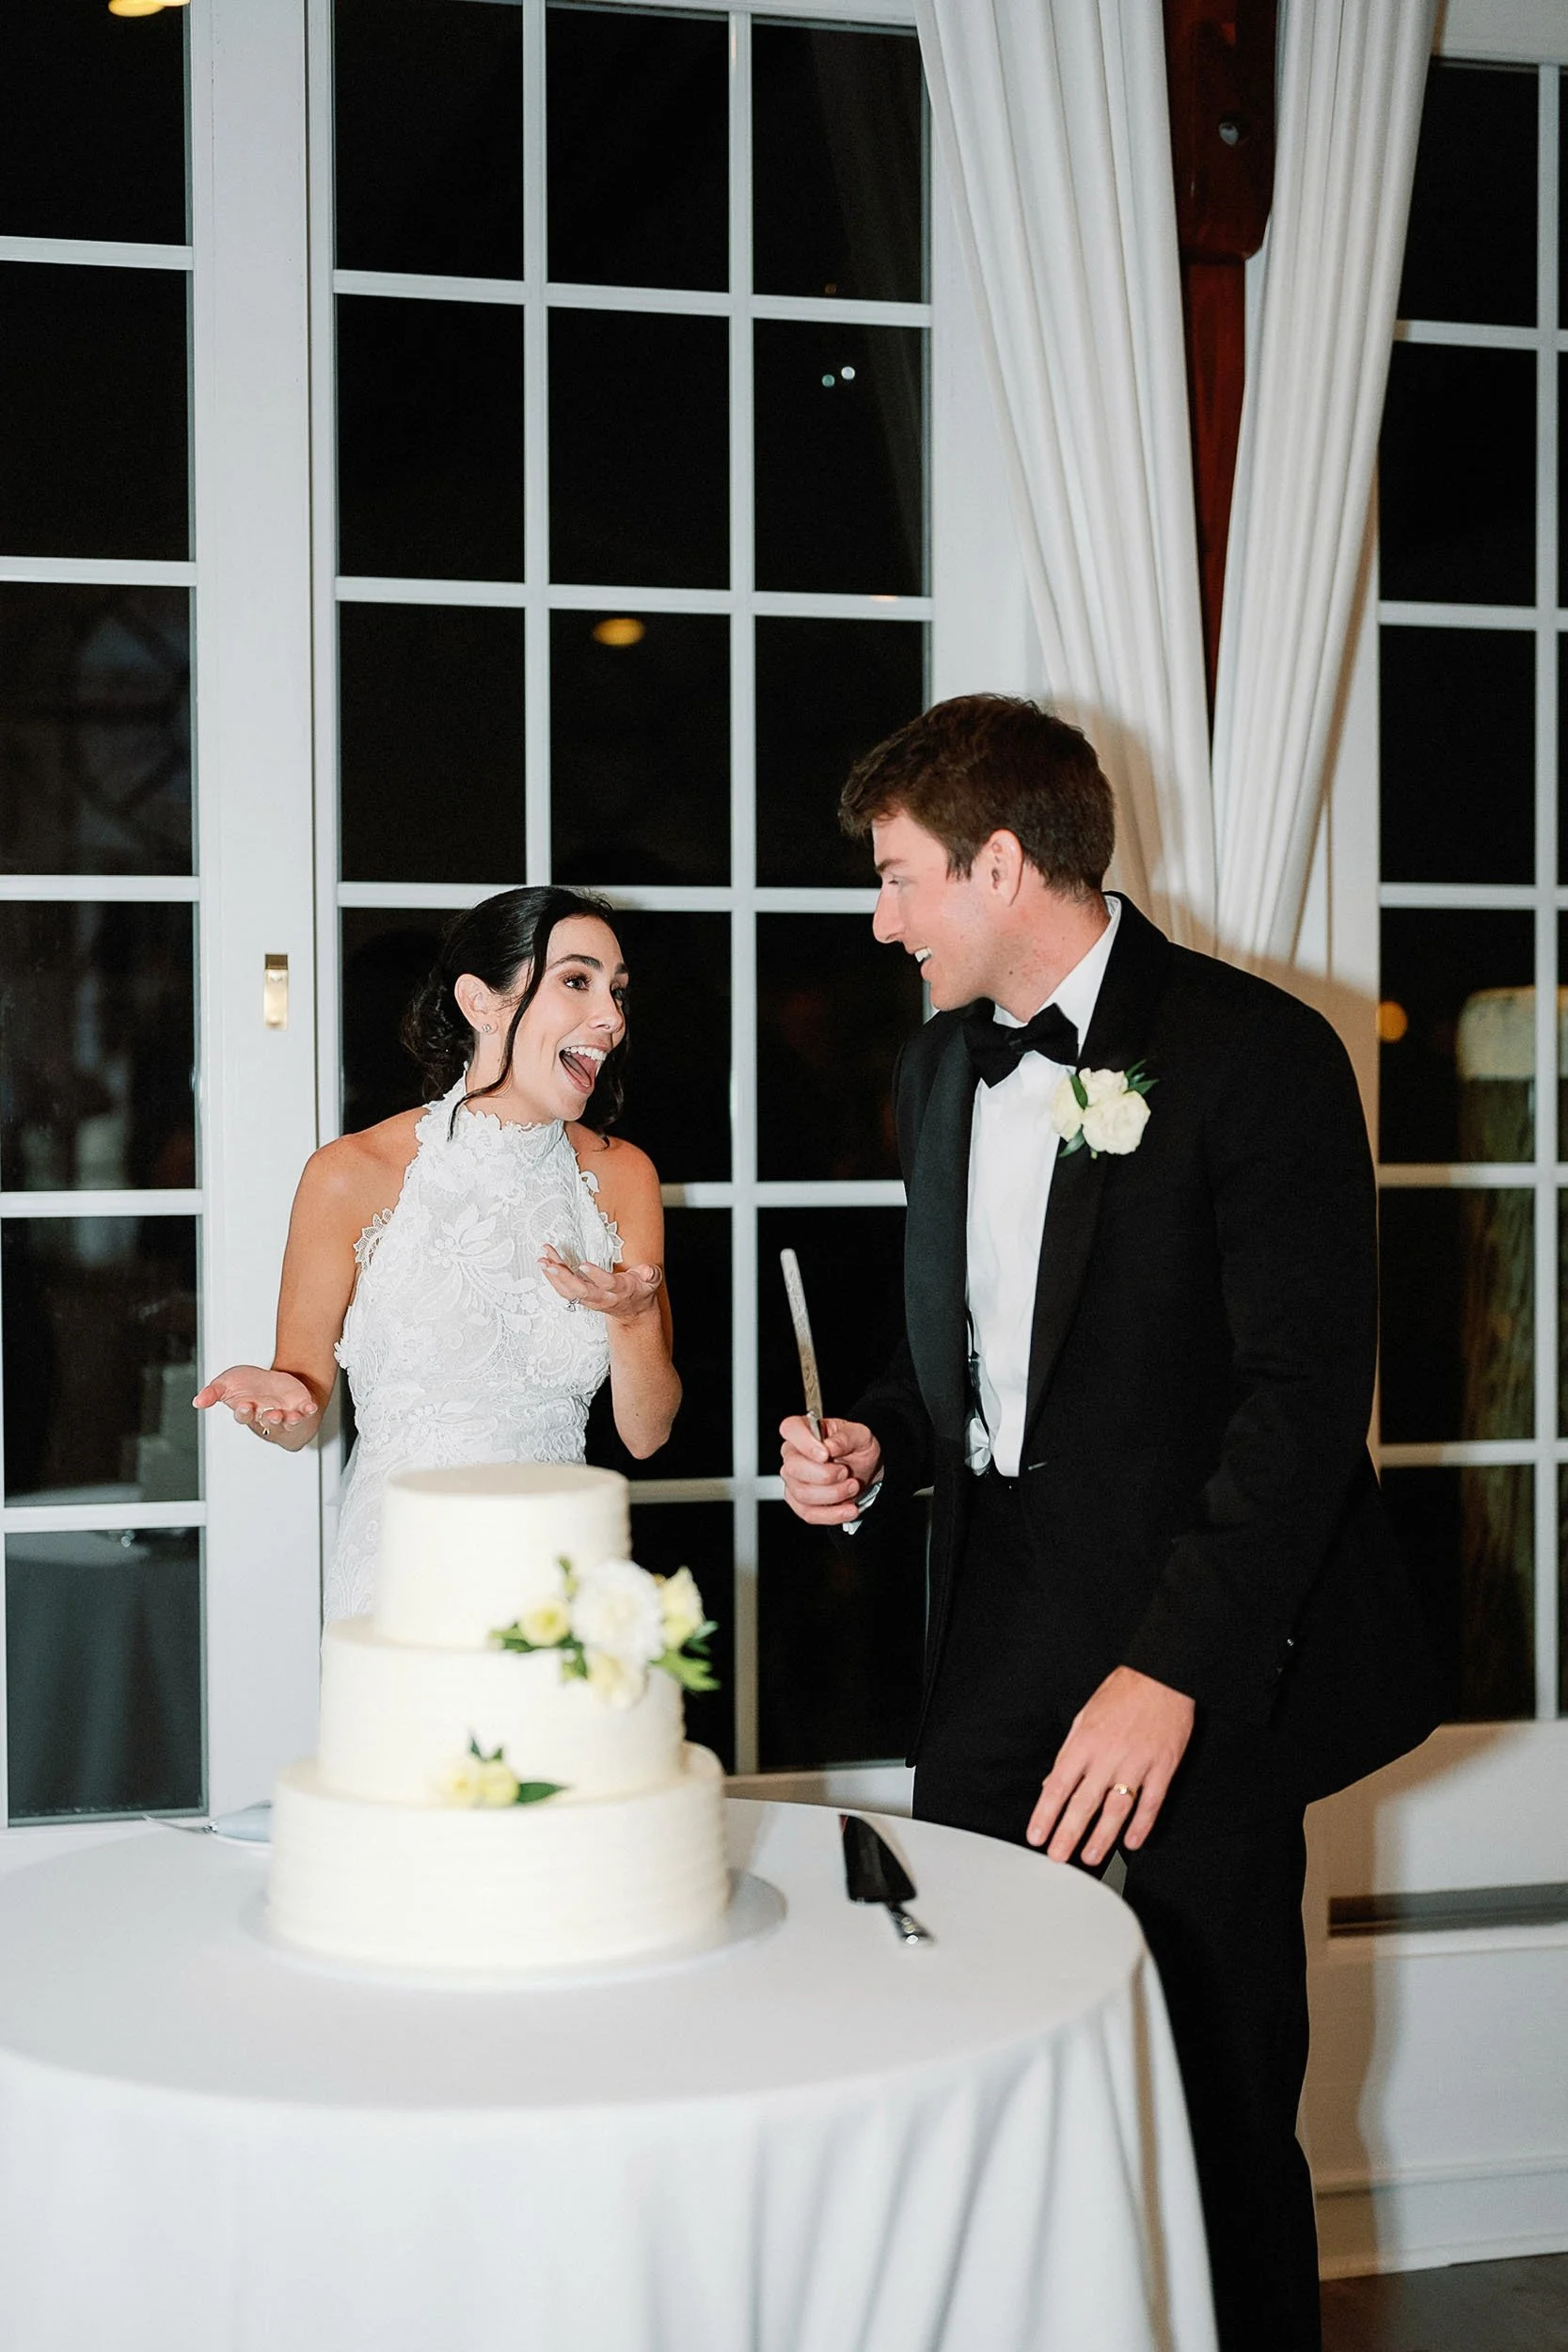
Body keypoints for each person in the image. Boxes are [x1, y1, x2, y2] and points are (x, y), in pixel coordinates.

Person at [779, 697, 1438, 2352]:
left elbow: (1297, 1410)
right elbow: (975, 1358)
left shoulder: (1258, 1053)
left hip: (1191, 1657)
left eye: (899, 878)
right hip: (990, 1645)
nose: (879, 919)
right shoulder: (938, 1067)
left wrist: (1169, 1673)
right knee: (985, 2054)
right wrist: (877, 1439)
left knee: (1212, 2094)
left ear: (1001, 865)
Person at [196, 886, 678, 1622]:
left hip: (563, 1575)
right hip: (404, 1575)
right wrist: (272, 1403)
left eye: (616, 990)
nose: (610, 1018)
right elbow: (298, 1416)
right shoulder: (351, 1173)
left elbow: (646, 1433)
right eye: (576, 981)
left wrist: (635, 1316)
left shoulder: (623, 1177)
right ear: (482, 1002)